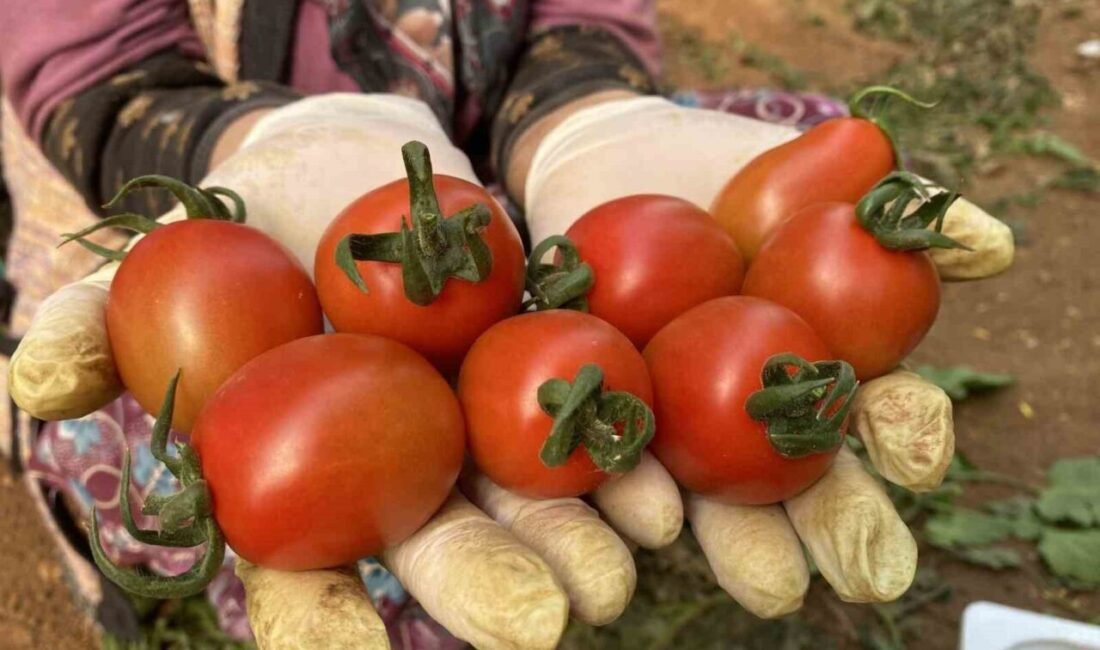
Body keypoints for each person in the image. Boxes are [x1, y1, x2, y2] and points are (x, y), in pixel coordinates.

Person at [0, 1, 1014, 647]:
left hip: (498, 200)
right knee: (127, 401)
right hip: (247, 180)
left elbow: (586, 16)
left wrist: (577, 113)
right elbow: (93, 57)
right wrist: (249, 133)